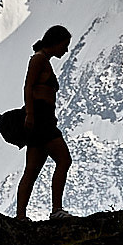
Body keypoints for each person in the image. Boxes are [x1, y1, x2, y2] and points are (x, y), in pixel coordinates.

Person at [16, 25, 72, 221]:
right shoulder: (39, 59)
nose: (65, 50)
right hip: (41, 118)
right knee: (64, 160)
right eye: (64, 46)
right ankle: (57, 209)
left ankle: (21, 216)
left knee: (31, 170)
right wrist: (30, 114)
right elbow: (28, 86)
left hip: (43, 117)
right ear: (55, 43)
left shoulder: (44, 60)